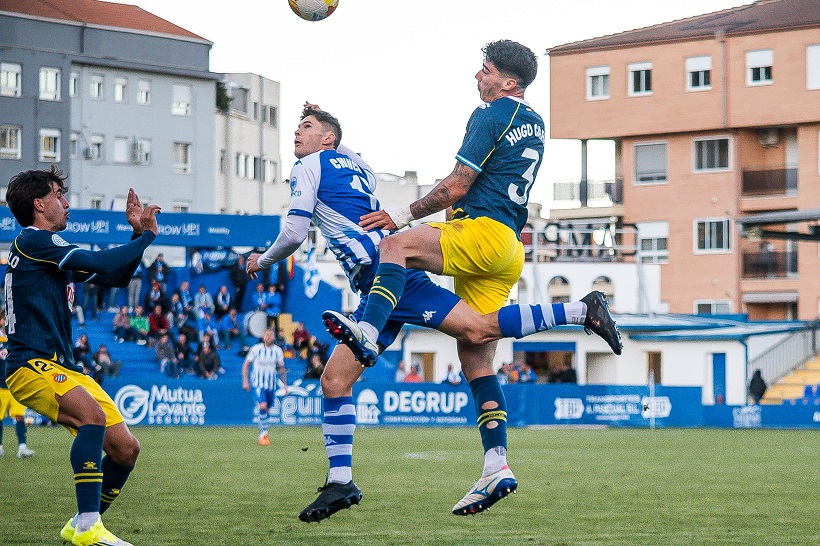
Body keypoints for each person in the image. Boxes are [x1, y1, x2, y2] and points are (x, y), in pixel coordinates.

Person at [245, 105, 621, 523]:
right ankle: (341, 481)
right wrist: (326, 125)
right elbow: (342, 149)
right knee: (335, 380)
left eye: (307, 127)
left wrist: (263, 260)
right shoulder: (359, 167)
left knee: (477, 332)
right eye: (298, 126)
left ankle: (579, 309)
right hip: (387, 280)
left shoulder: (308, 166)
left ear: (327, 139)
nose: (297, 132)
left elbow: (295, 232)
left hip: (385, 274)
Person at [321, 42, 622, 516]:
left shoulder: (489, 114)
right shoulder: (535, 121)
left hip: (480, 233)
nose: (476, 77)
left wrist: (400, 214)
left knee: (394, 246)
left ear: (508, 82)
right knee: (477, 347)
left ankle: (366, 332)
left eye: (485, 71)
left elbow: (456, 186)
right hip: (507, 247)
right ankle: (496, 465)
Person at [3, 166, 159, 545]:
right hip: (30, 364)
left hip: (62, 365)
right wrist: (148, 237)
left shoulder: (49, 253)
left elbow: (116, 277)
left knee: (126, 450)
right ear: (39, 205)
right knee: (90, 417)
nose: (67, 203)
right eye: (59, 195)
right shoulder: (35, 242)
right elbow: (105, 262)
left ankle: (82, 524)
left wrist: (136, 235)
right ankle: (90, 523)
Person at [241, 328, 288, 446]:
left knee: (267, 408)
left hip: (271, 384)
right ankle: (263, 434)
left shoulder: (277, 351)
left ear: (274, 337)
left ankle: (263, 432)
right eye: (266, 335)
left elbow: (281, 369)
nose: (268, 337)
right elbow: (246, 365)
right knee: (263, 405)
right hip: (258, 383)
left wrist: (285, 385)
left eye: (271, 335)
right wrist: (245, 381)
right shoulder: (256, 349)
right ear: (263, 337)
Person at [0, 313, 34, 459]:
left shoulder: (18, 339)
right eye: (4, 319)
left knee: (20, 416)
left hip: (16, 386)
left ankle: (22, 447)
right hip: (0, 386)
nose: (7, 322)